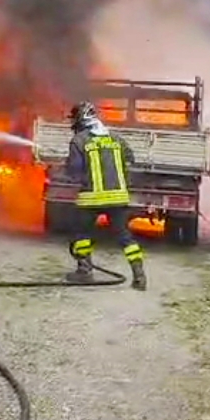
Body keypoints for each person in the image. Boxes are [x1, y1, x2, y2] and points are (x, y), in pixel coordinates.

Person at [64, 101, 147, 290]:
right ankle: (139, 276)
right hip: (117, 198)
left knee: (82, 234)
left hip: (91, 199)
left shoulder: (79, 140)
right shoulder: (116, 138)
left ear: (80, 119)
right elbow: (130, 159)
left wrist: (68, 168)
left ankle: (84, 271)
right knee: (125, 237)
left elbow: (74, 171)